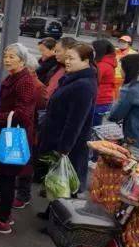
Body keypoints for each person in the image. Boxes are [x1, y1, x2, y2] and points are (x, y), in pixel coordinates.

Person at [0, 44, 37, 234]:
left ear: (22, 60)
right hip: (6, 132)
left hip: (12, 135)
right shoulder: (14, 77)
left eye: (12, 56)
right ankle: (3, 211)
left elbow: (23, 113)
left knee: (8, 177)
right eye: (6, 56)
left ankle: (3, 220)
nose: (7, 60)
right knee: (5, 176)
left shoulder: (25, 81)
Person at [40, 43, 98, 203]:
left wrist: (64, 149)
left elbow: (75, 121)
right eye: (67, 58)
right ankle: (52, 210)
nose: (67, 62)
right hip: (59, 140)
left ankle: (59, 215)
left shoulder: (83, 85)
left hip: (70, 146)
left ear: (85, 61)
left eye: (72, 58)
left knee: (65, 185)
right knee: (57, 183)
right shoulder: (73, 78)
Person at [92, 39, 117, 126]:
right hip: (104, 100)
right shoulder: (107, 62)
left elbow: (92, 80)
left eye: (93, 50)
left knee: (92, 128)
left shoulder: (102, 65)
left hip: (99, 100)